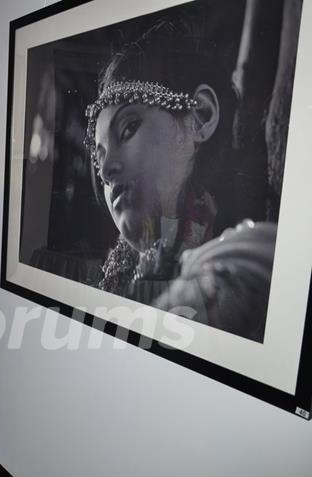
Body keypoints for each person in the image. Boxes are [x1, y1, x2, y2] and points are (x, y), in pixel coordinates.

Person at [84, 19, 277, 342]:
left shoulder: (249, 258)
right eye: (98, 157)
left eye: (129, 129)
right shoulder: (120, 283)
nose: (106, 171)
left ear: (200, 117)